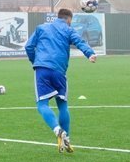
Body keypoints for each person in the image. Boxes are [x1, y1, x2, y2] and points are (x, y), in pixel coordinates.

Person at [24, 8, 96, 153]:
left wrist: (35, 60)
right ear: (69, 19)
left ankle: (57, 130)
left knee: (42, 104)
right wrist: (90, 54)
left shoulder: (41, 28)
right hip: (59, 71)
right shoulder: (68, 30)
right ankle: (66, 138)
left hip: (42, 69)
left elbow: (29, 46)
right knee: (62, 105)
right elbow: (79, 41)